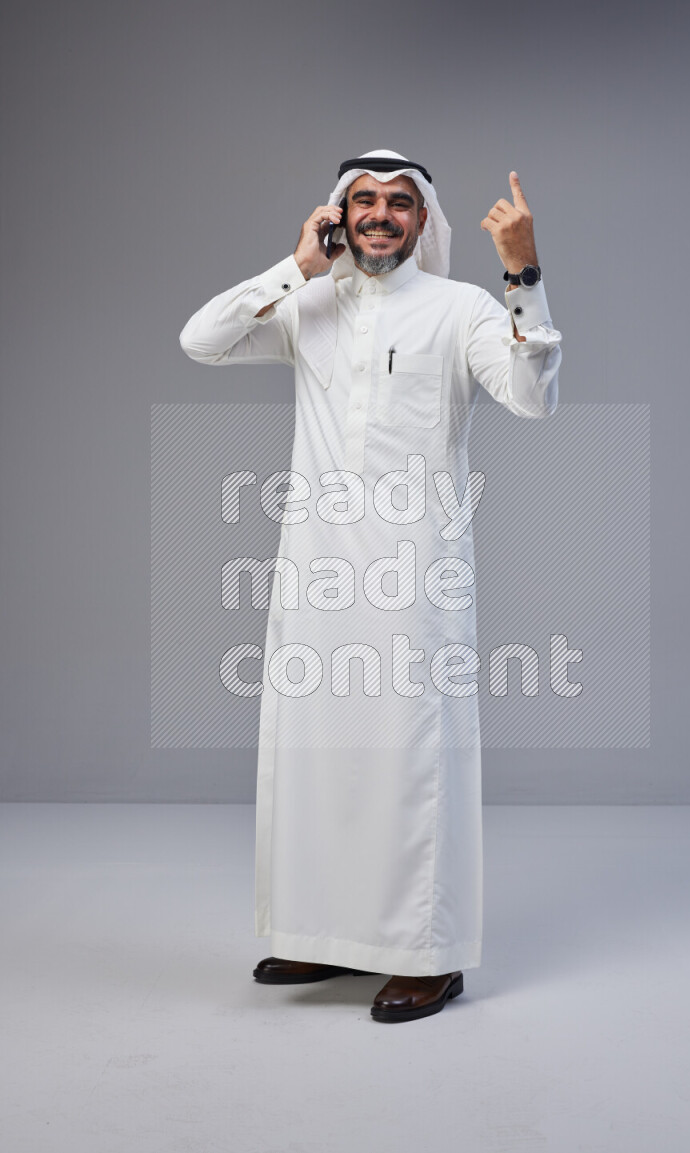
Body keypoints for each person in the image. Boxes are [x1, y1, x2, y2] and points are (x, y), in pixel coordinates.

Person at [179, 149, 562, 1023]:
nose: (380, 215)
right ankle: (325, 933)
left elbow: (533, 398)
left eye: (398, 203)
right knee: (316, 757)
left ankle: (429, 954)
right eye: (363, 202)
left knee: (410, 761)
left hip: (413, 577)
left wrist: (523, 271)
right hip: (314, 574)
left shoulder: (461, 307)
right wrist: (295, 269)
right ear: (337, 216)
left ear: (424, 221)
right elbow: (199, 340)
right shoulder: (308, 304)